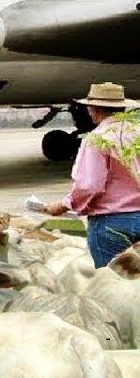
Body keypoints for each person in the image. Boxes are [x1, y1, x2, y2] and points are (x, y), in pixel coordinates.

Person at [46, 82, 140, 267]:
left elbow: (90, 185)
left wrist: (65, 204)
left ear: (93, 109)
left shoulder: (97, 139)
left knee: (112, 283)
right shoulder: (137, 133)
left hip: (112, 222)